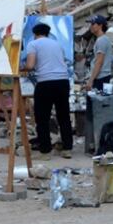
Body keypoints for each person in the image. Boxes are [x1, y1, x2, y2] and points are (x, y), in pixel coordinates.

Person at [22, 22, 74, 160]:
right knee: (63, 116)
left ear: (35, 34)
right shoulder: (57, 44)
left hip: (45, 82)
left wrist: (21, 68)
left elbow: (31, 65)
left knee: (42, 118)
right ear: (47, 33)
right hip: (63, 81)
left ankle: (45, 151)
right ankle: (67, 149)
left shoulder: (33, 44)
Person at [85, 15, 113, 91]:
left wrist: (91, 80)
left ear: (100, 25)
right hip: (102, 76)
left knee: (96, 101)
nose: (90, 26)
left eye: (93, 24)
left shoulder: (101, 40)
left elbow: (99, 62)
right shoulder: (103, 39)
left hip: (101, 77)